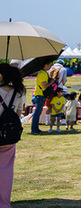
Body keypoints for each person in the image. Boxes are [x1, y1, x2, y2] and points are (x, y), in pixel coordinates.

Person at [0, 64, 25, 207]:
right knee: (6, 171)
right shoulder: (19, 92)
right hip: (9, 135)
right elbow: (19, 115)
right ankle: (4, 203)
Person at [30, 60, 54, 135]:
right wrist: (51, 82)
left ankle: (36, 129)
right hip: (40, 95)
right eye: (49, 65)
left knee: (38, 113)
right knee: (37, 113)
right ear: (45, 65)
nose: (50, 67)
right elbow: (44, 86)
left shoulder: (43, 73)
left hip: (40, 95)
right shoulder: (42, 74)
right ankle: (34, 130)